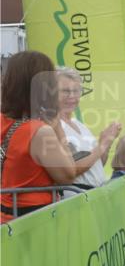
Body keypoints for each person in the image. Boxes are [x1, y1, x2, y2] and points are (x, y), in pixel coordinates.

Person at [0, 52, 114, 222]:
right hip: (35, 218)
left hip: (10, 215)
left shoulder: (5, 119)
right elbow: (68, 174)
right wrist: (57, 128)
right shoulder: (38, 130)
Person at [56, 67, 121, 192]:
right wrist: (102, 145)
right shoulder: (54, 126)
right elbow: (72, 170)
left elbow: (97, 165)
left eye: (76, 91)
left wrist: (107, 143)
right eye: (65, 91)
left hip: (93, 194)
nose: (72, 96)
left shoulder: (79, 124)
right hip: (75, 196)